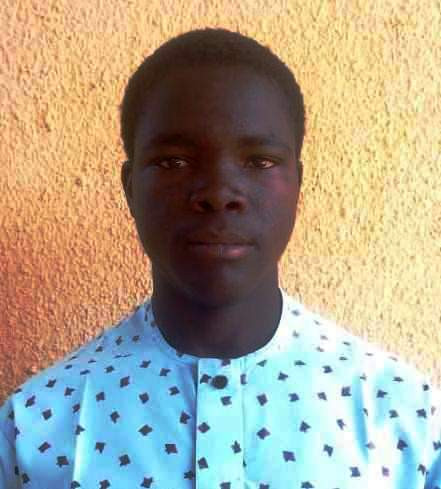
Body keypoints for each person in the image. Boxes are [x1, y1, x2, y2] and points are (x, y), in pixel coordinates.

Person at [0, 27, 440, 489]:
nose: (218, 192)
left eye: (259, 160)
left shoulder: (405, 420)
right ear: (130, 188)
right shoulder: (33, 430)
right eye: (174, 161)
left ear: (297, 183)